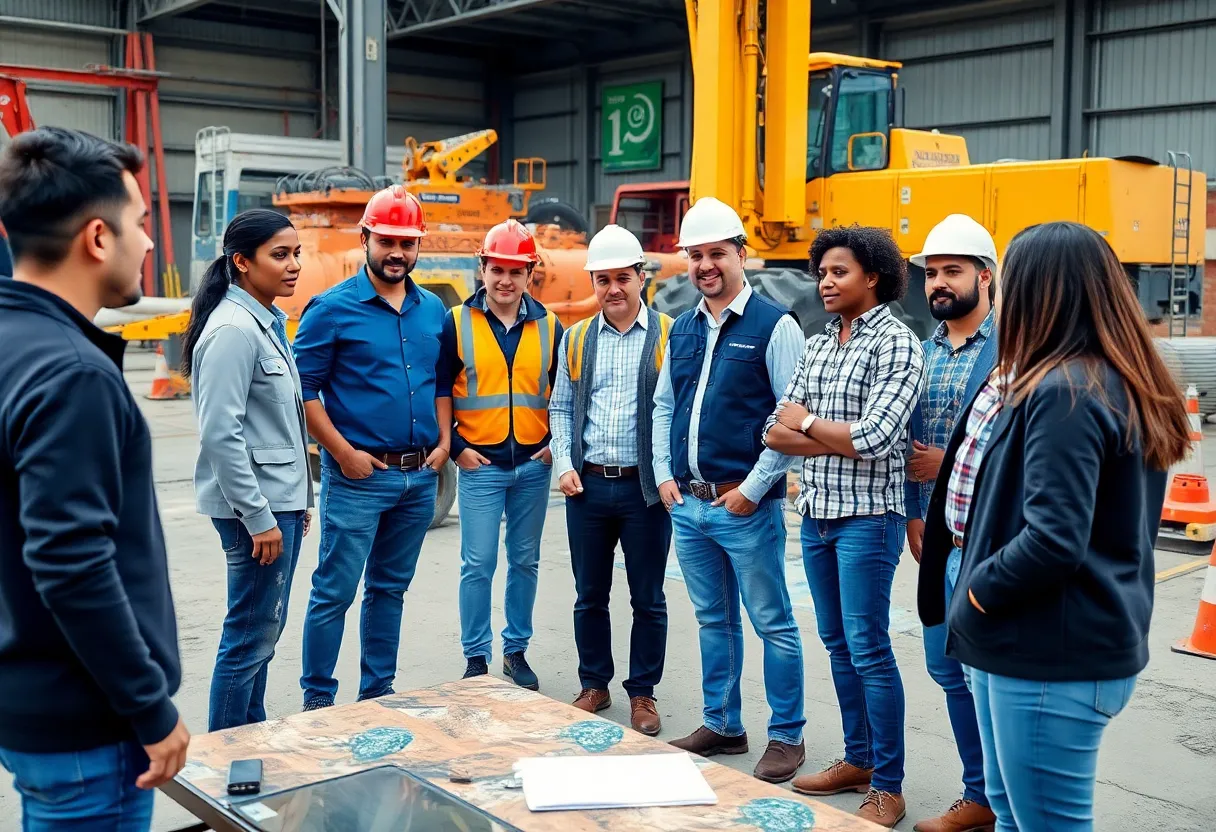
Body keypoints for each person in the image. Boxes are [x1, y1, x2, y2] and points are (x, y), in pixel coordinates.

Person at [918, 221, 1189, 831]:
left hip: (1047, 651)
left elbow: (1053, 538)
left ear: (1038, 292)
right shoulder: (1108, 377)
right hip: (1054, 642)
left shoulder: (1067, 390)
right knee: (1011, 814)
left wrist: (976, 592)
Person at [0, 127, 189, 829]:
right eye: (140, 222)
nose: (150, 242)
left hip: (32, 705)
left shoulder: (13, 341)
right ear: (98, 238)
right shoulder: (72, 374)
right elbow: (71, 561)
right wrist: (150, 708)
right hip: (89, 727)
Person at [763, 224, 924, 828]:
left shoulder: (897, 343)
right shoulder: (819, 343)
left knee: (869, 649)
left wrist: (808, 425)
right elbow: (773, 431)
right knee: (836, 644)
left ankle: (888, 785)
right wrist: (830, 435)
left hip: (868, 519)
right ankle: (858, 760)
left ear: (872, 276)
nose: (825, 282)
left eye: (839, 272)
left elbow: (877, 439)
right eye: (822, 272)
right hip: (818, 515)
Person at [652, 196, 807, 784]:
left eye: (717, 253)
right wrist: (664, 475)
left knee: (772, 622)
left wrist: (754, 488)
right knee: (713, 620)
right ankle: (722, 724)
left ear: (741, 254)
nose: (705, 265)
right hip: (689, 505)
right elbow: (664, 405)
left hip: (744, 507)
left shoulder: (775, 326)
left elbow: (790, 418)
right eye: (695, 256)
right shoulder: (684, 326)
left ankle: (787, 736)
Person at [294, 186, 451, 710]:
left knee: (389, 589)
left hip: (418, 478)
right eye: (387, 241)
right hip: (358, 478)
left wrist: (444, 441)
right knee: (334, 592)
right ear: (365, 238)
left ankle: (377, 691)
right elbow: (303, 391)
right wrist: (342, 454)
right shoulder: (331, 310)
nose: (397, 253)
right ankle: (318, 699)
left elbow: (441, 382)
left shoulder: (433, 311)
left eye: (407, 243)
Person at [182, 209, 315, 732]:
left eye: (296, 253)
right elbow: (221, 434)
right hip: (254, 511)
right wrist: (260, 517)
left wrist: (299, 500)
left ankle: (251, 737)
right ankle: (225, 752)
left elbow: (280, 424)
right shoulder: (234, 331)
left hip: (277, 503)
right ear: (241, 261)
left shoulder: (264, 321)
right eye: (280, 255)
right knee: (249, 636)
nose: (294, 265)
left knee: (263, 631)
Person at [549, 225, 673, 735]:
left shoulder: (670, 334)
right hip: (589, 487)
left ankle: (642, 692)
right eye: (603, 280)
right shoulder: (576, 338)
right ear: (593, 283)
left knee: (648, 598)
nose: (614, 289)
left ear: (641, 277)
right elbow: (561, 407)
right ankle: (594, 684)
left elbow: (676, 410)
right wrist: (564, 463)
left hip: (647, 491)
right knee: (589, 594)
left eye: (623, 278)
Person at [902, 214, 999, 832]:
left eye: (952, 271)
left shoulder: (1013, 350)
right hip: (937, 538)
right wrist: (916, 515)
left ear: (984, 276)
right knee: (944, 668)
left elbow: (1026, 449)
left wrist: (953, 462)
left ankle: (994, 797)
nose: (938, 283)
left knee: (985, 677)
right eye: (932, 272)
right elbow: (909, 445)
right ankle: (981, 794)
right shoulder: (924, 351)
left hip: (989, 541)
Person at [443, 218, 562, 691]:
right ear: (483, 269)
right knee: (478, 564)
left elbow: (563, 394)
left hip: (533, 465)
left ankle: (516, 652)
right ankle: (476, 658)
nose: (505, 281)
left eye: (516, 271)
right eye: (497, 270)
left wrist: (555, 445)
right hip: (481, 466)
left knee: (525, 561)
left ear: (530, 272)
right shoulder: (456, 322)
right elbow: (439, 392)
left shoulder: (550, 325)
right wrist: (456, 448)